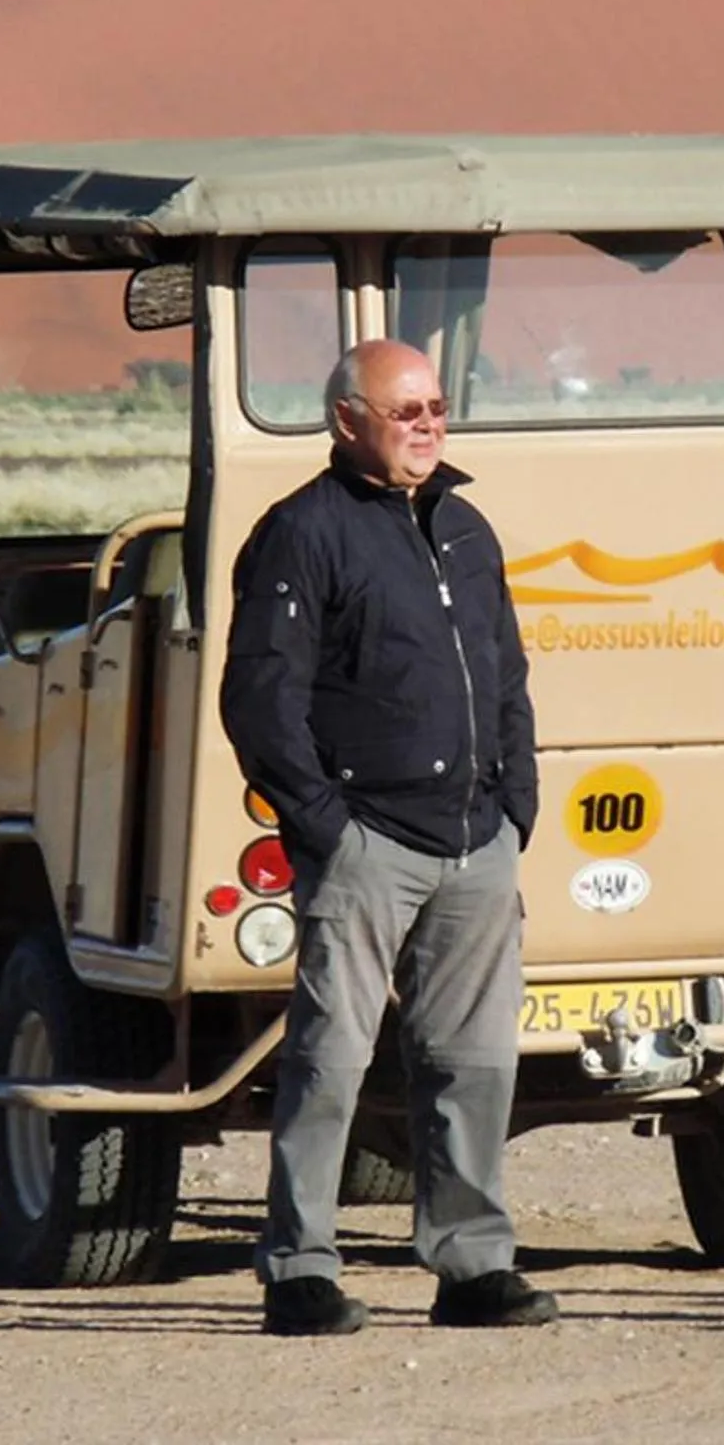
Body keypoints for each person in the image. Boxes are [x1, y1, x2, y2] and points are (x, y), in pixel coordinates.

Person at [219, 338, 555, 1337]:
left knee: (477, 1062)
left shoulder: (467, 527)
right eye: (404, 411)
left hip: (476, 840)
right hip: (369, 841)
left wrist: (516, 802)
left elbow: (505, 679)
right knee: (332, 1060)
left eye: (437, 408)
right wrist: (327, 823)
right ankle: (300, 1269)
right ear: (347, 420)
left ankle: (473, 1265)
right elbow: (260, 698)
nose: (426, 427)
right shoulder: (303, 533)